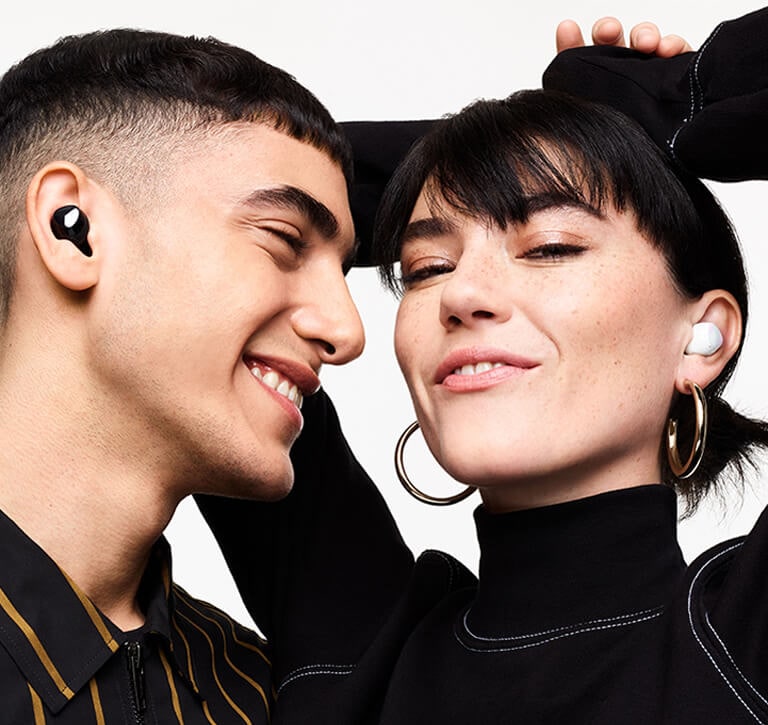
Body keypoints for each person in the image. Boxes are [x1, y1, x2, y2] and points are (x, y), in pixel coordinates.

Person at [0, 17, 662, 725]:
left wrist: (618, 137)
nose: (349, 333)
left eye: (553, 246)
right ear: (74, 226)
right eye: (285, 240)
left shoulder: (263, 693)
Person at [199, 8, 768, 724]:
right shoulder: (362, 646)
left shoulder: (740, 642)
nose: (461, 294)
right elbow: (184, 188)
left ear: (703, 337)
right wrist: (534, 131)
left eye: (551, 247)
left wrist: (690, 102)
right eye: (427, 265)